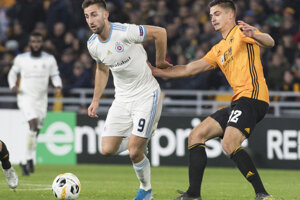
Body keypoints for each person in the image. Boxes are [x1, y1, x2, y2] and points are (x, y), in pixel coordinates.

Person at [150, 0, 275, 200]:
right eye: (210, 15)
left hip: (253, 97)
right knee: (196, 135)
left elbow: (270, 41)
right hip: (238, 101)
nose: (212, 19)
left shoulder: (242, 32)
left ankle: (263, 194)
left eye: (217, 14)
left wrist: (256, 35)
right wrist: (157, 71)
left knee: (229, 144)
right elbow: (189, 69)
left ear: (230, 15)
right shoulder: (218, 49)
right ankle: (193, 195)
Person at [82, 0, 171, 199]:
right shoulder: (93, 45)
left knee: (134, 152)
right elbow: (102, 69)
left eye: (94, 14)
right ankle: (140, 140)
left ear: (106, 15)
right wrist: (95, 99)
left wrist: (160, 62)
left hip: (147, 95)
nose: (90, 20)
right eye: (87, 16)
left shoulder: (125, 32)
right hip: (121, 99)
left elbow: (160, 32)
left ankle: (146, 190)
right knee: (106, 149)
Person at [8, 32, 62, 176]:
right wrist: (12, 85)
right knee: (32, 124)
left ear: (42, 43)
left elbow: (55, 75)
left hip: (41, 100)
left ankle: (28, 158)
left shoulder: (49, 59)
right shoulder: (21, 59)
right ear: (30, 43)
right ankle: (27, 159)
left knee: (36, 130)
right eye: (33, 41)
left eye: (38, 41)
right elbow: (12, 74)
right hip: (25, 98)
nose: (36, 44)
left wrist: (58, 85)